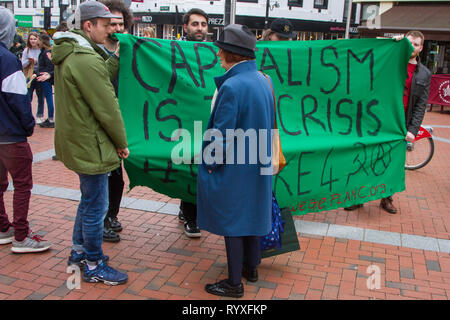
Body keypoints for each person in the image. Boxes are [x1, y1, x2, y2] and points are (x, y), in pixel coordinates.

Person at [52, 1, 129, 285]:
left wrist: (114, 59)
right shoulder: (85, 58)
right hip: (91, 144)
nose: (111, 30)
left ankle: (78, 253)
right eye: (106, 25)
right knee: (96, 206)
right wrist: (121, 142)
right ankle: (94, 264)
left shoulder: (72, 53)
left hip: (78, 142)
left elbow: (94, 80)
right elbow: (107, 107)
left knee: (88, 202)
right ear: (88, 25)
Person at [198, 24, 274, 298]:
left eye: (222, 49)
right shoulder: (264, 79)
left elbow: (221, 135)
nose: (218, 53)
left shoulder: (232, 86)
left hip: (236, 166)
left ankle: (233, 283)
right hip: (259, 162)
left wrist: (209, 164)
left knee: (233, 222)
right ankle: (251, 268)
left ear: (231, 53)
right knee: (252, 214)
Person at [345, 30, 432, 214]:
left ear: (421, 48)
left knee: (393, 162)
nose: (412, 47)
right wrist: (391, 43)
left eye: (416, 44)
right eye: (409, 43)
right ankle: (359, 197)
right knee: (367, 158)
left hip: (401, 124)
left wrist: (413, 130)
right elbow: (372, 58)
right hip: (379, 120)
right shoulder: (392, 61)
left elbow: (420, 105)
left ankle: (387, 198)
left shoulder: (424, 74)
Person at [0, 7, 52, 253]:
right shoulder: (8, 59)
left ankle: (4, 228)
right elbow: (19, 100)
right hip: (10, 135)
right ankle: (21, 236)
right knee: (22, 184)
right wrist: (29, 126)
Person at [98, 0, 133, 243]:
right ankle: (101, 221)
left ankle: (111, 216)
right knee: (104, 176)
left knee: (117, 178)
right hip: (102, 123)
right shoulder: (95, 51)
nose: (117, 28)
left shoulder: (130, 49)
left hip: (124, 121)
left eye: (121, 23)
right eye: (112, 24)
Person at [177, 8, 209, 238]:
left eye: (204, 24)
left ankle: (187, 209)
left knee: (200, 166)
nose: (200, 28)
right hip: (182, 119)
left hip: (207, 120)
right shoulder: (173, 51)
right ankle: (190, 215)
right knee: (189, 166)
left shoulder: (213, 53)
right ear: (185, 27)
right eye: (195, 24)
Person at [21, 32, 44, 124]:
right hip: (29, 75)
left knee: (40, 96)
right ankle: (27, 115)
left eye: (34, 39)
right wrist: (30, 60)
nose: (33, 41)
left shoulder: (41, 50)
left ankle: (39, 116)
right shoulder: (26, 50)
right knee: (28, 96)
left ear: (38, 39)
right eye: (31, 39)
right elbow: (22, 64)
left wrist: (36, 61)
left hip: (39, 74)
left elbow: (44, 62)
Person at [36, 33, 55, 128]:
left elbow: (50, 65)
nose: (36, 42)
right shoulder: (47, 51)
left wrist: (46, 74)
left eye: (38, 39)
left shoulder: (45, 52)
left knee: (49, 98)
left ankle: (51, 119)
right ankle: (50, 118)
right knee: (48, 98)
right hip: (46, 76)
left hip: (45, 77)